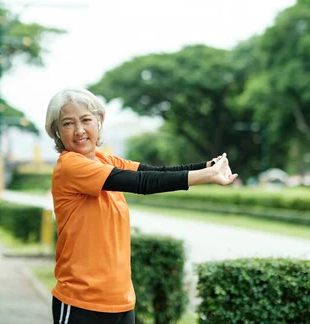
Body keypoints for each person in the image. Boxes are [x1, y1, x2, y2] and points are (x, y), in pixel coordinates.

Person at [44, 88, 238, 324]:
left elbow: (154, 172)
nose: (79, 131)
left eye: (86, 120)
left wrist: (207, 165)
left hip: (121, 301)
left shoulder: (105, 161)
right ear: (57, 131)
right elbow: (142, 183)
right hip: (81, 303)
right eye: (67, 123)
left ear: (99, 121)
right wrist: (206, 176)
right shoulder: (71, 166)